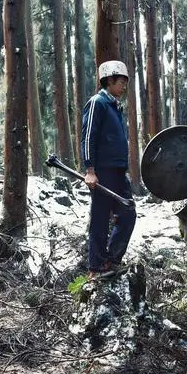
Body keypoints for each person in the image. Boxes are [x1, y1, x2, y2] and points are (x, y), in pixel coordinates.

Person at [81, 60, 136, 278]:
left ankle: (111, 261)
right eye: (121, 82)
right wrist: (90, 169)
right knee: (100, 218)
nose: (123, 87)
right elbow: (88, 137)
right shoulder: (98, 102)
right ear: (109, 80)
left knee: (128, 213)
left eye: (125, 82)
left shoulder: (115, 107)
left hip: (118, 171)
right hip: (102, 172)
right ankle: (95, 267)